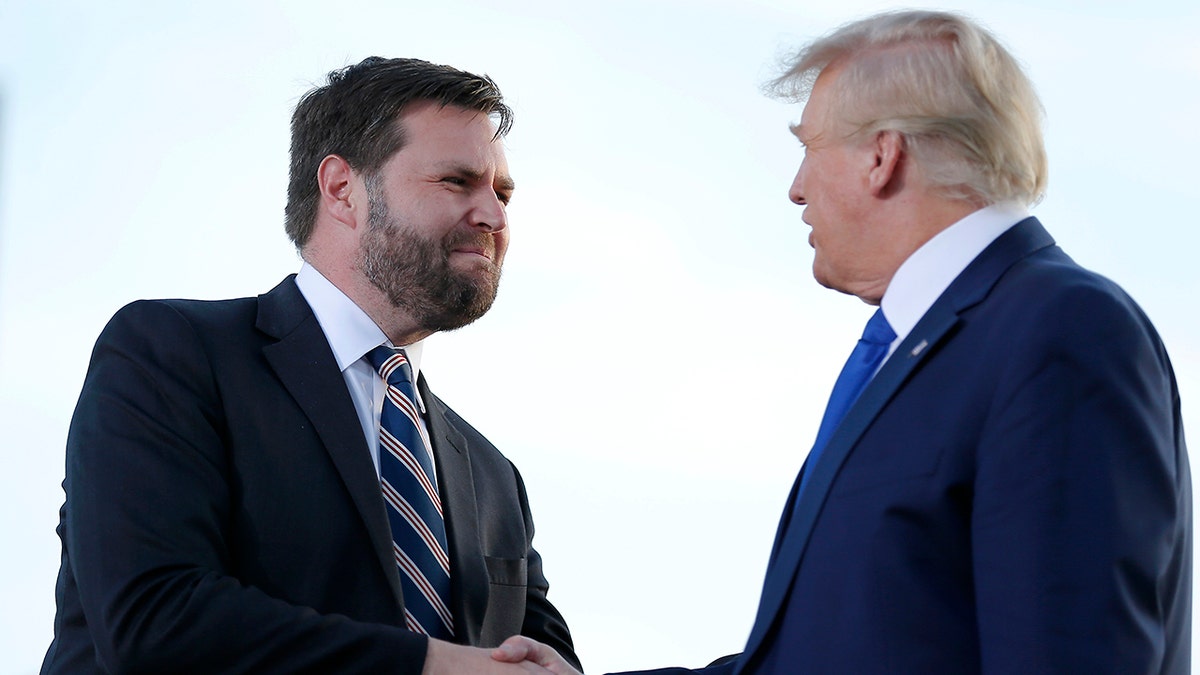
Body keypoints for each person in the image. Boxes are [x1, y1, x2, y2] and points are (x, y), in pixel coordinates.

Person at [494, 9, 1191, 674]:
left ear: (882, 156)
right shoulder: (918, 347)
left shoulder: (1059, 328)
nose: (797, 189)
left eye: (807, 148)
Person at [41, 57, 579, 674]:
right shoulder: (172, 354)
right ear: (342, 190)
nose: (495, 216)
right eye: (458, 181)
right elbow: (154, 618)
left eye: (503, 193)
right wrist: (432, 665)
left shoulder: (494, 479)